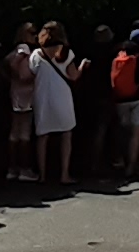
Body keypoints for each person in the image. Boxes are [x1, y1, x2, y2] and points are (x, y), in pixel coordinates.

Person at [29, 21, 84, 183]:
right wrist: (82, 66)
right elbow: (73, 76)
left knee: (42, 135)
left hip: (42, 96)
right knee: (66, 134)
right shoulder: (66, 53)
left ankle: (42, 174)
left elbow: (31, 74)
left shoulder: (36, 54)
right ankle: (64, 174)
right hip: (62, 96)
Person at [74, 24, 118, 180]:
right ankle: (98, 164)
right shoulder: (112, 54)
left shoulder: (88, 53)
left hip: (87, 95)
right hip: (105, 94)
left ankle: (85, 163)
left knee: (88, 130)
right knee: (102, 130)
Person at [112, 28, 139, 176]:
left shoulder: (118, 56)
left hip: (120, 99)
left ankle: (120, 160)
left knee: (124, 132)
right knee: (136, 135)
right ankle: (131, 167)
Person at [5, 21, 39, 181]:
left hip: (16, 93)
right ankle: (25, 169)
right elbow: (13, 64)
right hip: (25, 93)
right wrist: (22, 77)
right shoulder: (24, 48)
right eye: (32, 33)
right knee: (24, 133)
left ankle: (13, 168)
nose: (35, 36)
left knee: (14, 134)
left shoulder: (16, 49)